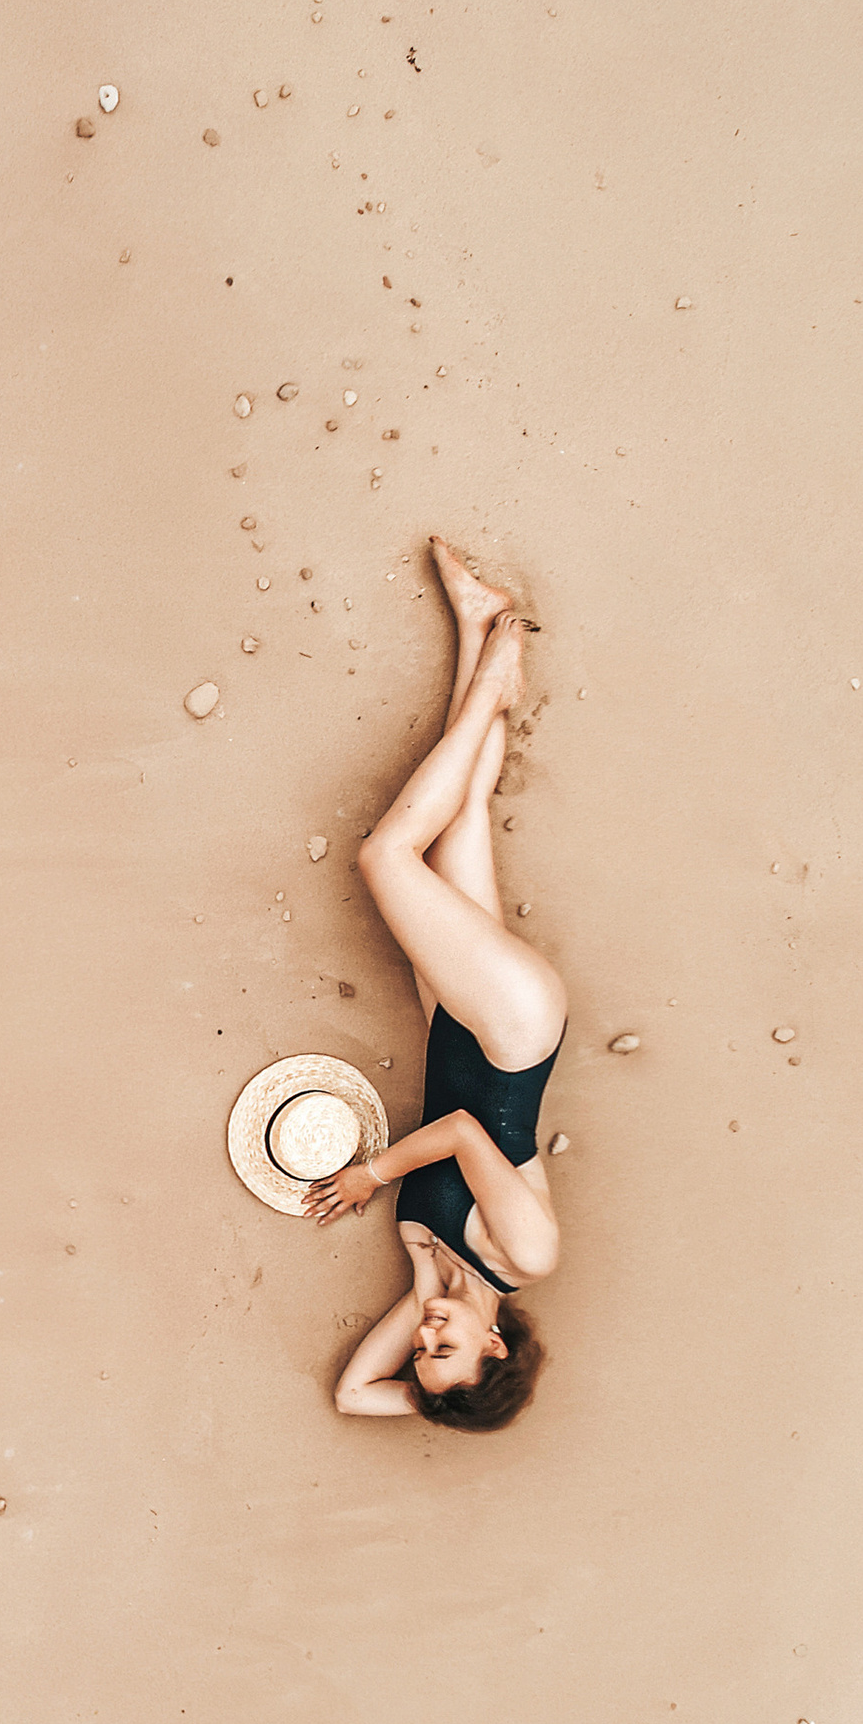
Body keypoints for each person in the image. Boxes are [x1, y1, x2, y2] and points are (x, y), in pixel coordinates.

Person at [308, 541, 565, 1430]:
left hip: (453, 1023)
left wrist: (431, 1397)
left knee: (463, 813)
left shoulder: (430, 1278)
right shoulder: (524, 1257)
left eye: (419, 1354)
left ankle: (476, 621)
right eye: (445, 1348)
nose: (424, 1337)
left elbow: (350, 1395)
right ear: (495, 1344)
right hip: (510, 1026)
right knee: (385, 856)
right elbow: (458, 1130)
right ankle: (499, 677)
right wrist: (373, 1176)